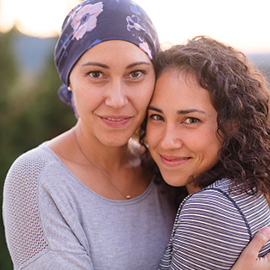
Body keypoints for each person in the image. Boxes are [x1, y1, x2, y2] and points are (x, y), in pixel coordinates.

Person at [2, 0, 269, 268]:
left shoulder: (166, 167)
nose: (117, 99)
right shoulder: (37, 177)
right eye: (96, 74)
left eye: (136, 73)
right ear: (69, 80)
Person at [146, 35, 270, 269]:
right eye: (157, 117)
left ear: (233, 124)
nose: (167, 142)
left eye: (190, 120)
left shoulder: (211, 209)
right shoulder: (242, 188)